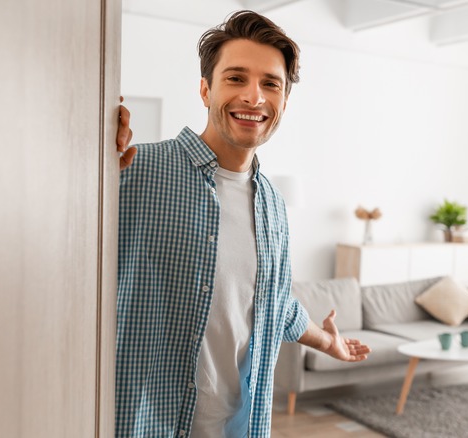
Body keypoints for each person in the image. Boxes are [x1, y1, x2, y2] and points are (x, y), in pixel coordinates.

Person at [113, 10, 370, 438]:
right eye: (236, 78)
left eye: (271, 83)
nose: (254, 97)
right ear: (205, 89)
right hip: (145, 424)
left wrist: (328, 342)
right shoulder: (134, 167)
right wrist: (83, 146)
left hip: (240, 427)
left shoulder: (273, 205)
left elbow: (274, 305)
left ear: (284, 100)